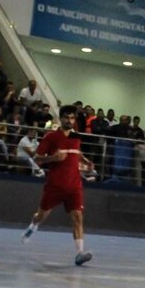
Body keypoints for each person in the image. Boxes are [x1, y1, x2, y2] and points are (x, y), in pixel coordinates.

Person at [20, 105, 96, 266]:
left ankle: (79, 254)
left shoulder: (76, 137)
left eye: (72, 118)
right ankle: (33, 226)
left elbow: (76, 152)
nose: (69, 121)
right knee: (41, 216)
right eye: (66, 117)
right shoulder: (50, 137)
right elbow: (38, 159)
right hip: (55, 185)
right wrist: (53, 158)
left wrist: (86, 161)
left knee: (77, 218)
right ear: (60, 119)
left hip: (74, 185)